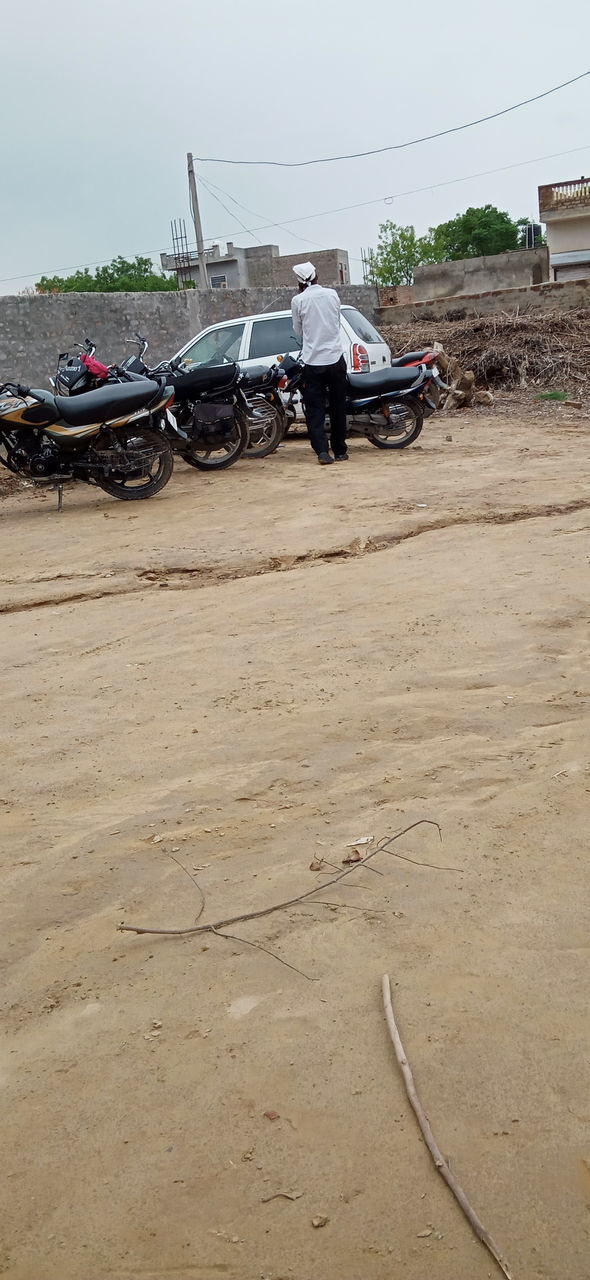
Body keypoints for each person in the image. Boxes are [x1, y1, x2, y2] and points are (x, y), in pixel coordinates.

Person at [291, 262, 348, 465]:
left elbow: (298, 332)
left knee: (315, 409)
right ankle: (340, 450)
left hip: (312, 362)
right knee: (338, 406)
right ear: (316, 276)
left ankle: (323, 452)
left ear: (299, 281)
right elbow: (336, 322)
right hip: (335, 359)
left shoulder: (298, 301)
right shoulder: (332, 294)